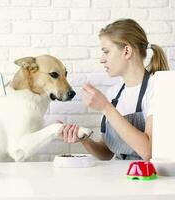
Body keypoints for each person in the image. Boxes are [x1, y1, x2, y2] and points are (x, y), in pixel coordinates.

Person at [59, 18, 169, 161]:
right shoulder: (114, 93)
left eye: (106, 51)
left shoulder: (157, 87)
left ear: (127, 51)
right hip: (119, 178)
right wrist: (82, 138)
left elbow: (148, 151)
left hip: (147, 178)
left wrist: (106, 107)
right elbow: (106, 153)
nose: (101, 59)